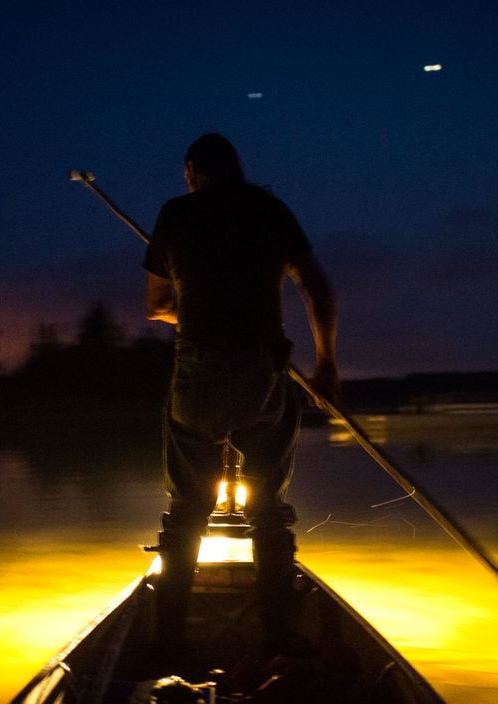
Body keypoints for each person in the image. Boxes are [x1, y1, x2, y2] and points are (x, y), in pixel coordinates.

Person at [143, 133, 339, 662]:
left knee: (187, 509)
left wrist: (199, 304)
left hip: (199, 372)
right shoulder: (271, 211)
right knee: (270, 512)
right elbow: (318, 290)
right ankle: (280, 641)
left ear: (191, 171)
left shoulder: (174, 214)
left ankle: (166, 645)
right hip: (262, 372)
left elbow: (157, 306)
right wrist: (325, 366)